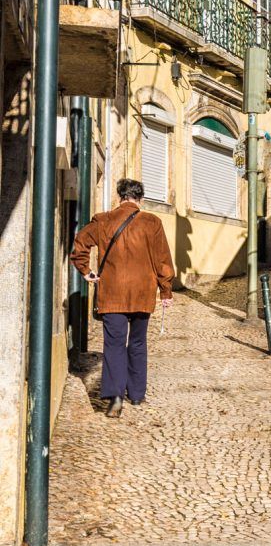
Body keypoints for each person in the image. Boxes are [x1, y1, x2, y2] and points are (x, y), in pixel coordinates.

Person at [71, 178, 175, 418]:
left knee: (114, 345)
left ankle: (115, 397)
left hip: (112, 294)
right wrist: (165, 291)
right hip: (142, 294)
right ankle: (137, 395)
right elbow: (163, 261)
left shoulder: (104, 220)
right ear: (140, 198)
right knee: (138, 344)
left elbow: (80, 245)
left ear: (120, 196)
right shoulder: (152, 222)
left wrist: (86, 272)